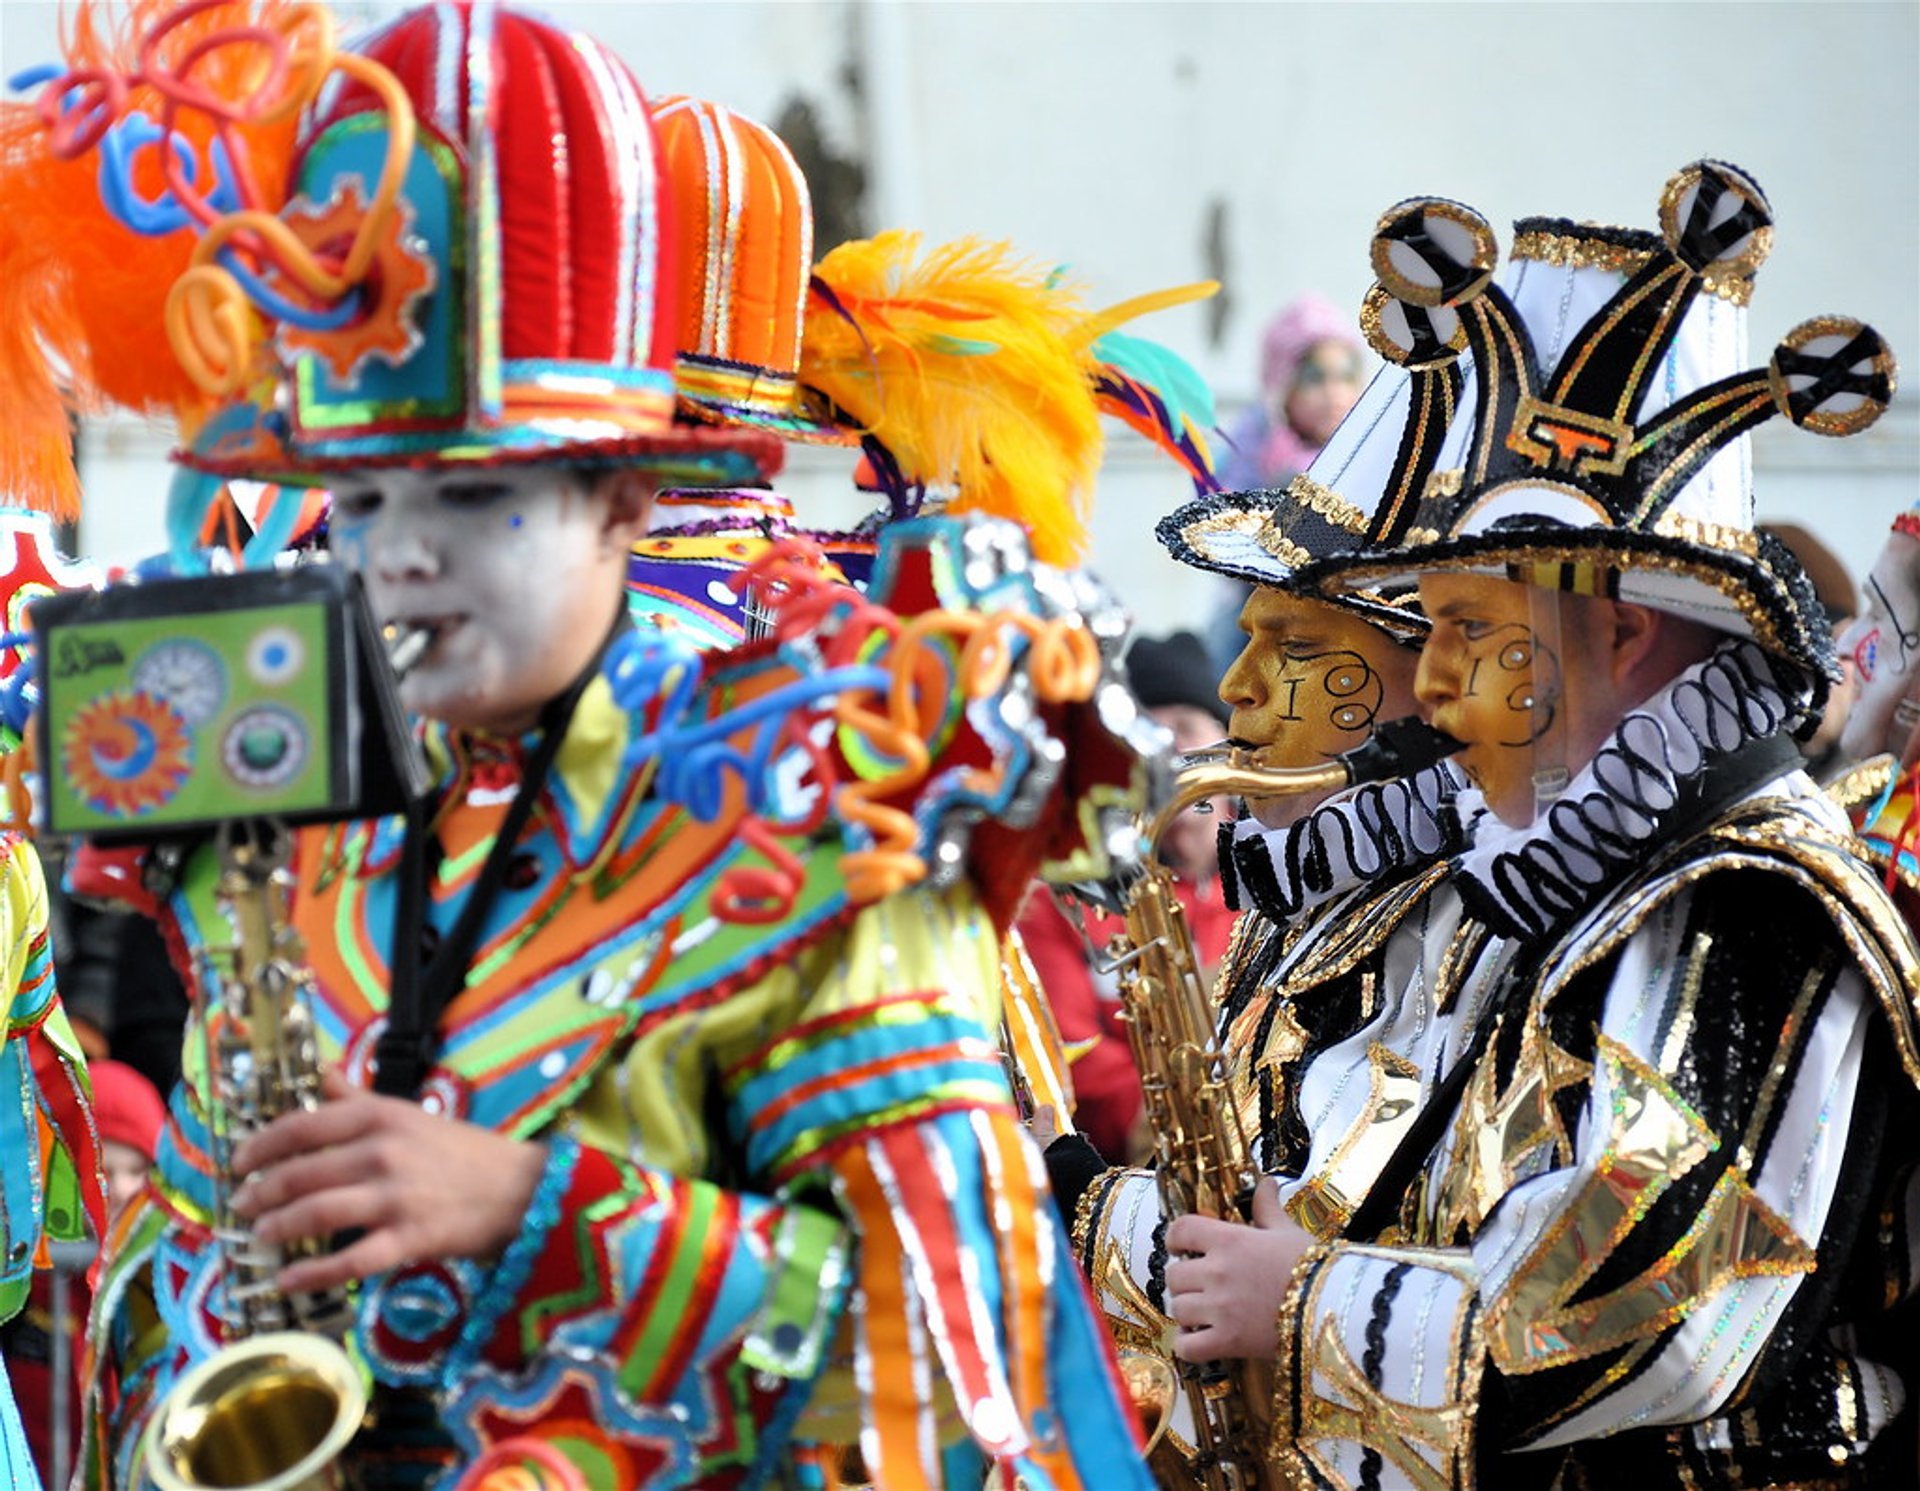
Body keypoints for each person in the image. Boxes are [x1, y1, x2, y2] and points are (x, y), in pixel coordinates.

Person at [8, 7, 1161, 1489]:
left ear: (626, 495)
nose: (398, 563)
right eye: (359, 508)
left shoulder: (807, 805)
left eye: (472, 496)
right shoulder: (304, 811)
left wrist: (538, 1208)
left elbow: (956, 1356)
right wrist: (207, 1261)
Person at [1157, 163, 1918, 1488]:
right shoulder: (1587, 864)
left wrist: (1302, 1295)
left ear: (1621, 632)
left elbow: (1668, 1301)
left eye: (1468, 628)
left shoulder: (1748, 894)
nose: (1435, 683)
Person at [1017, 630, 1238, 1164]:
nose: (1166, 750)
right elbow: (1075, 1056)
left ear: (1227, 749)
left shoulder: (1287, 877)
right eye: (1146, 734)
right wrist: (1184, 1132)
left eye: (1184, 728)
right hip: (1124, 1173)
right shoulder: (1059, 900)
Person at [1206, 294, 1373, 675]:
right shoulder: (1252, 451)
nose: (1333, 392)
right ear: (1282, 384)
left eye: (1346, 375)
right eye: (1314, 378)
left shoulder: (1377, 447)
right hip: (1264, 619)